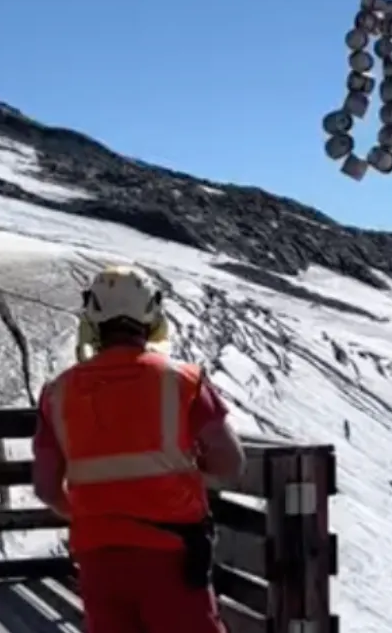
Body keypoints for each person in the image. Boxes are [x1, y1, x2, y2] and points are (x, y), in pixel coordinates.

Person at [32, 264, 247, 633]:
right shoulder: (183, 381)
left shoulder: (58, 391)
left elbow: (47, 488)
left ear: (93, 317)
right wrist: (189, 473)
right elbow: (230, 463)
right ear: (152, 314)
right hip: (172, 554)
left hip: (98, 556)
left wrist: (98, 517)